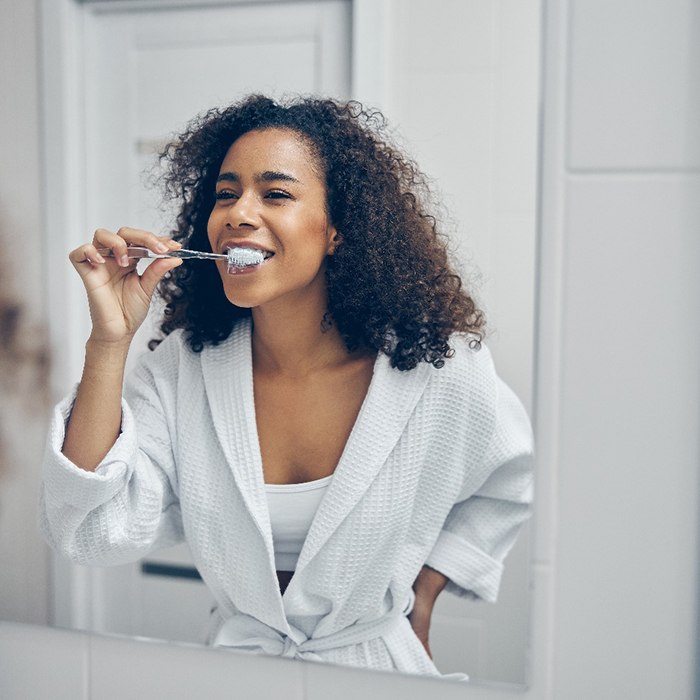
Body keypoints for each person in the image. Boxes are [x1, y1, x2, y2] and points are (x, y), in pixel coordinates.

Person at [40, 95, 533, 678]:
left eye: (275, 194)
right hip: (239, 673)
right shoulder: (182, 369)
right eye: (226, 194)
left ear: (337, 231)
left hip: (380, 671)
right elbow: (91, 530)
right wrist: (109, 341)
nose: (238, 213)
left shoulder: (438, 367)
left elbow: (508, 481)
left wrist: (422, 595)